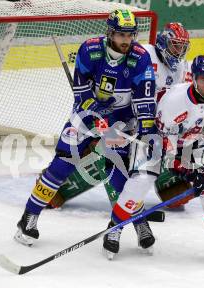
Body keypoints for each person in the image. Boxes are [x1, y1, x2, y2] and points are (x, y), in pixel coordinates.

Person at [14, 9, 157, 252]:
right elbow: (82, 94)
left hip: (122, 121)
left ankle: (139, 221)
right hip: (86, 117)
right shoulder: (90, 50)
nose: (126, 40)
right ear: (110, 33)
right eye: (121, 34)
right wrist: (99, 125)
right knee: (61, 165)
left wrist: (145, 130)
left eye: (130, 35)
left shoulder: (140, 57)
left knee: (123, 177)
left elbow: (145, 100)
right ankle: (28, 216)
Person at [47, 22, 192, 210]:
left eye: (182, 47)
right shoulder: (143, 55)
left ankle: (169, 182)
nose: (179, 51)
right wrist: (101, 122)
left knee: (159, 147)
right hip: (119, 116)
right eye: (175, 46)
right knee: (108, 153)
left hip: (148, 121)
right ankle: (61, 187)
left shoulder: (181, 66)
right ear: (164, 42)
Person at [139, 54, 204, 263]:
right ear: (193, 78)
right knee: (139, 181)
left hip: (192, 142)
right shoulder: (175, 101)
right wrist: (183, 168)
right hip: (156, 141)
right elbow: (166, 143)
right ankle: (137, 222)